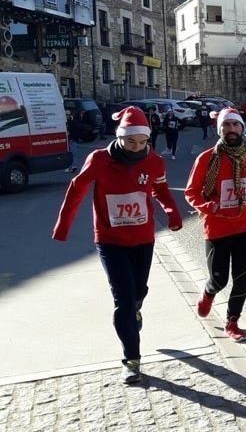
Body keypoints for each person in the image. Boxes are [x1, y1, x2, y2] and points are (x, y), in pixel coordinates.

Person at [52, 106, 183, 384]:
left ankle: (136, 307)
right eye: (130, 142)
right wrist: (63, 227)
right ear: (120, 137)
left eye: (142, 142)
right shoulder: (99, 159)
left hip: (143, 238)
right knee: (123, 300)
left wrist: (171, 211)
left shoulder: (154, 162)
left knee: (139, 291)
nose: (136, 149)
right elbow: (77, 188)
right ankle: (131, 359)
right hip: (111, 240)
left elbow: (160, 189)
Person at [185, 108, 246, 342]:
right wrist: (207, 206)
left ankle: (232, 321)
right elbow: (191, 192)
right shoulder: (206, 159)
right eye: (226, 125)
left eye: (235, 125)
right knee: (219, 278)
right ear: (218, 129)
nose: (231, 130)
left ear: (243, 129)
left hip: (245, 227)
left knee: (242, 277)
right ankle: (209, 292)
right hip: (217, 228)